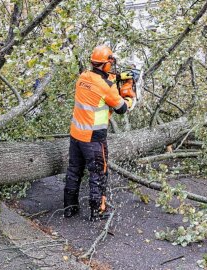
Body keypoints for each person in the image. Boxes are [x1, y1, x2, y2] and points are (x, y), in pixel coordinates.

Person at [63, 45, 136, 221]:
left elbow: (102, 82)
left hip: (76, 135)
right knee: (98, 173)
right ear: (105, 64)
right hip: (94, 139)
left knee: (74, 171)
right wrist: (129, 94)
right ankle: (97, 211)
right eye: (110, 64)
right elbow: (122, 108)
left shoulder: (83, 77)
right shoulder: (107, 87)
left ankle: (70, 208)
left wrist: (118, 77)